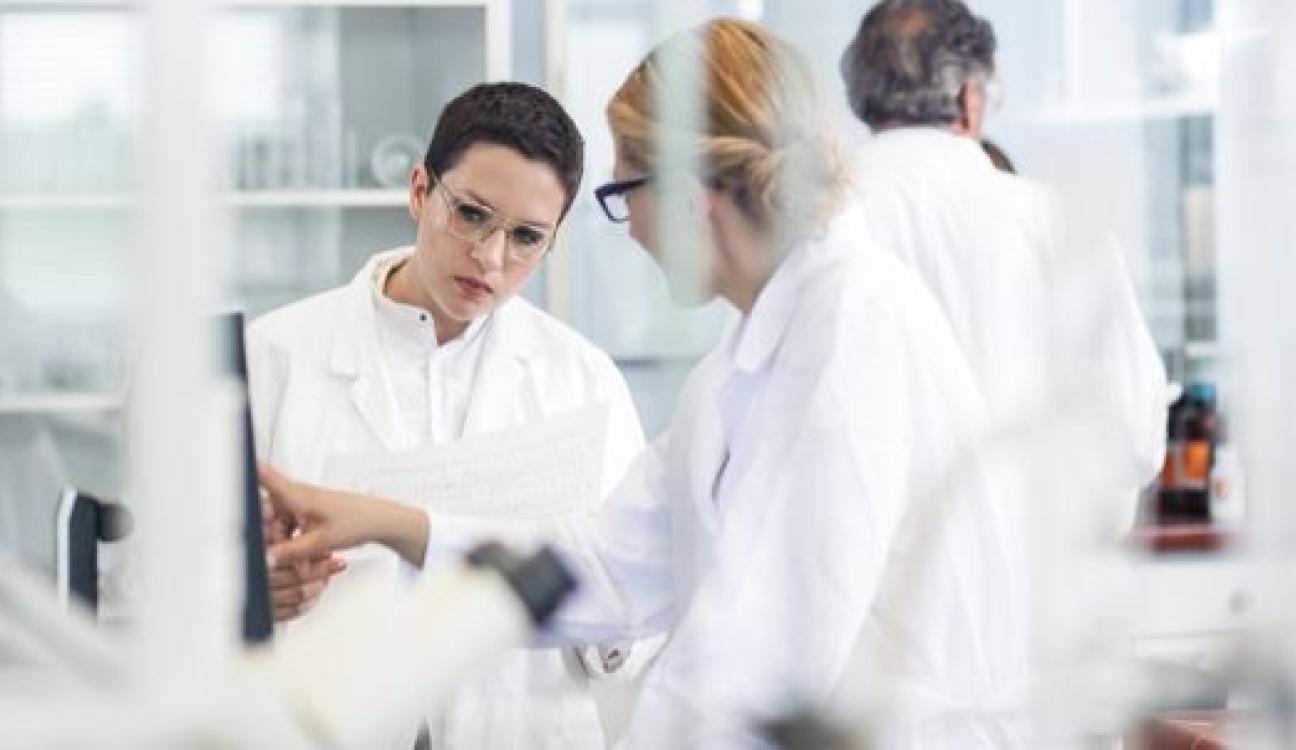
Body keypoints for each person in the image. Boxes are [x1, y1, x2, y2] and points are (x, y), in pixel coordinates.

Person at [262, 19, 1026, 748]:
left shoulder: (853, 332)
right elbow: (603, 563)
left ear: (691, 198)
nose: (629, 230)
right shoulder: (743, 363)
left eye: (624, 193)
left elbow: (754, 664)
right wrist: (393, 522)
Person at [247, 82, 651, 749]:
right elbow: (166, 584)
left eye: (526, 238)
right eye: (471, 215)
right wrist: (252, 595)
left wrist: (603, 612)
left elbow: (634, 616)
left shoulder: (583, 380)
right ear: (419, 191)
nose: (491, 258)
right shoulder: (273, 356)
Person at [839, 0, 1167, 520]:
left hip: (871, 561)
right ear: (969, 97)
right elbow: (1133, 437)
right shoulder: (1053, 223)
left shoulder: (815, 226)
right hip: (1032, 555)